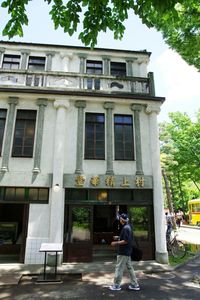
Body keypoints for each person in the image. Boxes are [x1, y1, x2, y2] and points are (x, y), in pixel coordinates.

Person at [109, 213, 140, 291]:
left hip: (123, 252)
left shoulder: (125, 228)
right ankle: (134, 284)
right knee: (130, 268)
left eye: (120, 218)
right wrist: (118, 237)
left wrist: (115, 243)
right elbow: (127, 238)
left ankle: (116, 285)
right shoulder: (129, 227)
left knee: (119, 268)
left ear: (122, 220)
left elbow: (125, 241)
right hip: (128, 251)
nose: (119, 219)